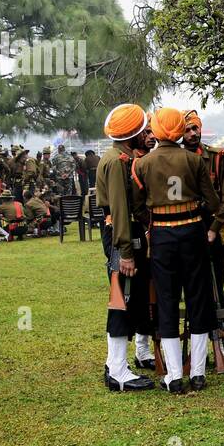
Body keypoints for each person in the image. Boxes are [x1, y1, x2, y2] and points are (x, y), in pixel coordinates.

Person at [132, 108, 221, 393]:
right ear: (180, 129)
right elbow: (214, 202)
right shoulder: (194, 160)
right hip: (193, 232)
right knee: (198, 298)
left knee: (167, 301)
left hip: (162, 237)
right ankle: (197, 373)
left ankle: (173, 375)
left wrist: (154, 219)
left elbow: (136, 206)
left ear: (156, 130)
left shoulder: (142, 164)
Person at [95, 104, 156, 392]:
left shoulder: (118, 156)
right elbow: (120, 210)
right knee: (122, 299)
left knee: (127, 297)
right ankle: (118, 371)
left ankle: (116, 364)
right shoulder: (118, 161)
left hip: (124, 232)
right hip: (123, 234)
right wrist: (126, 253)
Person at [183, 110, 224, 328]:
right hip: (186, 228)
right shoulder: (176, 159)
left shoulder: (217, 157)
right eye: (187, 130)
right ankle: (198, 329)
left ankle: (219, 328)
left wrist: (214, 228)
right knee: (193, 282)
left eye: (195, 128)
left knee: (216, 280)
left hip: (214, 226)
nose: (193, 133)